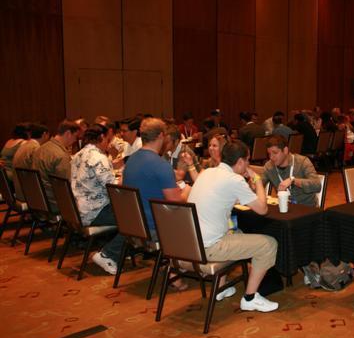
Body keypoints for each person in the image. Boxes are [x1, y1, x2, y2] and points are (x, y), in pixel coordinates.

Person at [92, 118, 191, 281]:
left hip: (133, 225)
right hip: (154, 227)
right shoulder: (161, 165)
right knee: (195, 221)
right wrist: (187, 191)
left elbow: (123, 185)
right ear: (161, 136)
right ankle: (180, 269)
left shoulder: (132, 160)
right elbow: (175, 203)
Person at [188, 141, 279, 312]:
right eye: (247, 160)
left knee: (237, 232)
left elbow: (227, 197)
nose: (248, 164)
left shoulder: (207, 172)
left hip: (190, 244)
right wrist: (258, 181)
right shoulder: (234, 179)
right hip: (208, 248)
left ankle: (220, 288)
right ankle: (250, 298)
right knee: (269, 244)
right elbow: (262, 209)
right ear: (240, 162)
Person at [70, 125, 122, 273]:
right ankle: (108, 254)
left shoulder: (78, 154)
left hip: (78, 209)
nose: (109, 144)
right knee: (135, 220)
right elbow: (112, 188)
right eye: (108, 140)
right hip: (94, 212)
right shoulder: (99, 157)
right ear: (101, 138)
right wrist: (124, 179)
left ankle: (114, 251)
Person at [32, 120, 81, 211]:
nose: (75, 140)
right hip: (54, 202)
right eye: (75, 137)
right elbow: (67, 185)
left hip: (39, 198)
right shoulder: (61, 155)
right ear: (68, 133)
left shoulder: (41, 148)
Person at [261, 135, 321, 207]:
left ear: (285, 150)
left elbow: (317, 185)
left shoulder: (302, 162)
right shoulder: (269, 166)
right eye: (269, 154)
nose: (271, 157)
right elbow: (258, 183)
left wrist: (293, 181)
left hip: (307, 208)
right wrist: (254, 178)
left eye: (275, 153)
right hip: (284, 207)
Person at [13, 123, 50, 200]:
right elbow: (38, 172)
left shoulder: (25, 145)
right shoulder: (35, 148)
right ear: (44, 134)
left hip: (19, 188)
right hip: (27, 193)